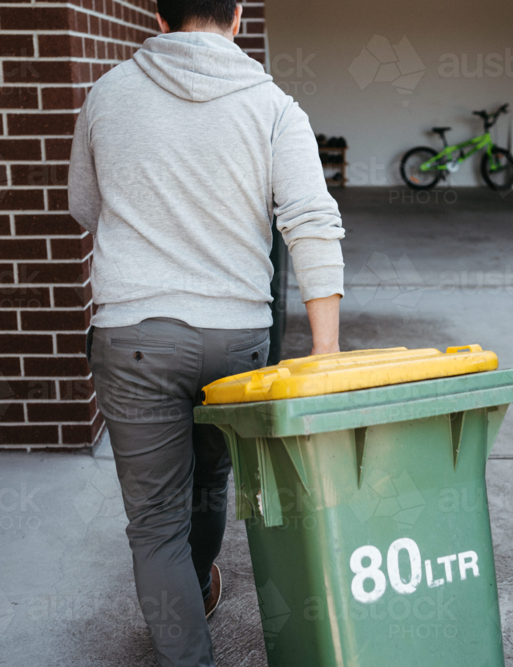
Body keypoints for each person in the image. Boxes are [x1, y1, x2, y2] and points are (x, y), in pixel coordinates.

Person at [67, 1, 345, 664]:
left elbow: (84, 207)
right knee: (210, 481)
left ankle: (186, 634)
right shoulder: (275, 104)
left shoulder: (106, 95)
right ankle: (195, 584)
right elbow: (311, 221)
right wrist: (327, 351)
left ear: (159, 17)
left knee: (156, 521)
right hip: (237, 338)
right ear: (239, 15)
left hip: (134, 335)